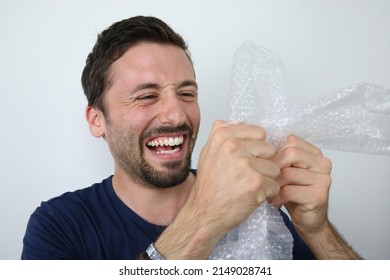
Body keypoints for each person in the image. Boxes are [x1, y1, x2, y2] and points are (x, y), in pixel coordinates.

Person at [21, 16, 361, 260]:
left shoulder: (254, 209)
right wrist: (206, 217)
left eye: (187, 93)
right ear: (97, 120)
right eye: (146, 96)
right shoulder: (59, 226)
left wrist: (317, 232)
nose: (177, 115)